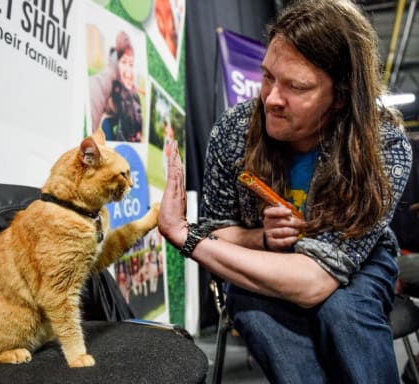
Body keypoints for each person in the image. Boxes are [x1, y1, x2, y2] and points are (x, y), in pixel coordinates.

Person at [158, 1, 413, 383]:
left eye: (296, 87)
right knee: (264, 321)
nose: (271, 98)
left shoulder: (381, 147)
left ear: (340, 97)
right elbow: (218, 230)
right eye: (267, 77)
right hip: (259, 259)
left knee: (344, 313)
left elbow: (313, 283)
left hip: (355, 260)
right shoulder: (234, 131)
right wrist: (260, 237)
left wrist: (184, 235)